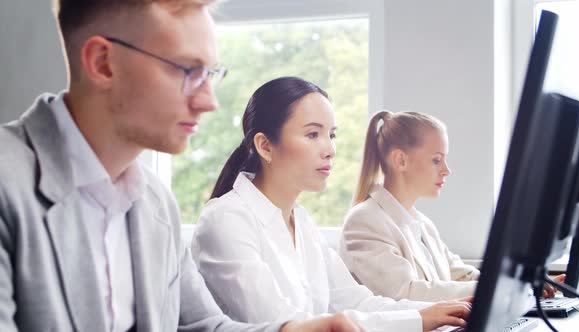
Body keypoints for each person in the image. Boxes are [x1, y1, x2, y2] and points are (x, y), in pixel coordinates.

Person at [0, 1, 364, 331]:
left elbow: (204, 326)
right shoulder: (8, 185)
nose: (209, 101)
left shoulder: (155, 202)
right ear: (103, 64)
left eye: (210, 74)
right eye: (187, 70)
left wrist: (292, 331)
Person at [192, 77, 472, 332]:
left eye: (332, 135)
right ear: (265, 146)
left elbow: (357, 302)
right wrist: (420, 319)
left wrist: (435, 313)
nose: (330, 149)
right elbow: (284, 323)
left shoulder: (302, 223)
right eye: (313, 134)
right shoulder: (225, 220)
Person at [338, 110, 565, 302]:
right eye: (437, 160)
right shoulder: (364, 222)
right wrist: (499, 290)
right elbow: (406, 292)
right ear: (400, 161)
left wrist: (521, 284)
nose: (446, 170)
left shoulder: (421, 224)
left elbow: (459, 275)